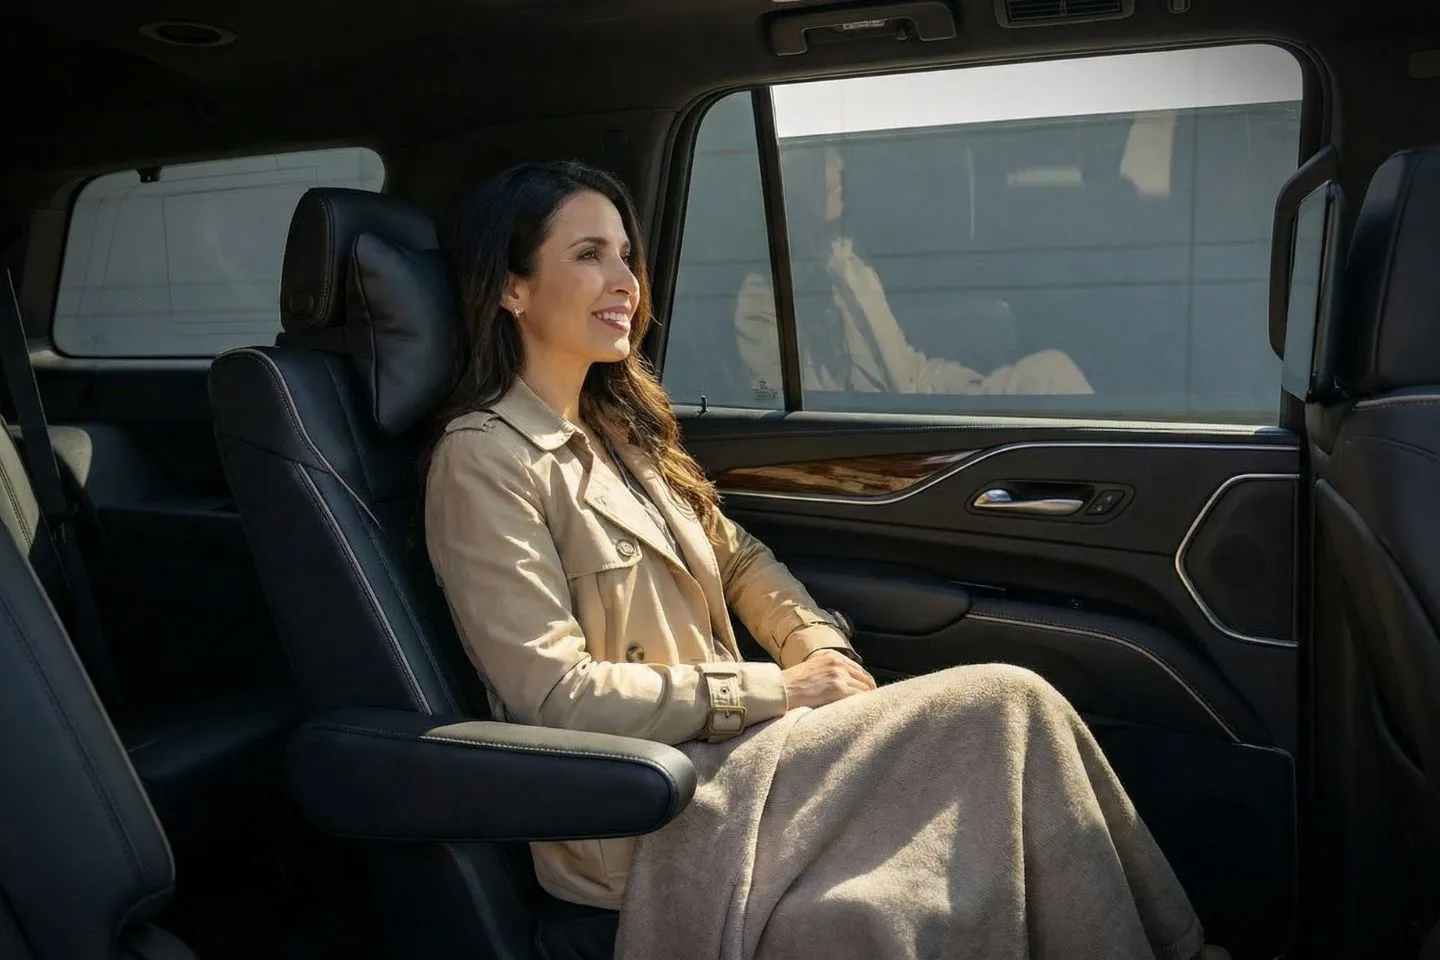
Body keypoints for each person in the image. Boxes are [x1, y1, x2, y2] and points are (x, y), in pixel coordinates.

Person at [423, 160, 1219, 960]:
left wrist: (818, 647)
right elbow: (557, 698)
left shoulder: (623, 431)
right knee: (1005, 703)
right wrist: (782, 689)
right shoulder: (484, 460)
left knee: (995, 762)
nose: (626, 279)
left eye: (629, 255)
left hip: (743, 764)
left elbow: (740, 561)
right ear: (511, 290)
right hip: (647, 811)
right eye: (589, 254)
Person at [734, 146, 1093, 401]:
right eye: (825, 159)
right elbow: (807, 415)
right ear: (796, 180)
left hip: (915, 401)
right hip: (882, 436)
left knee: (1051, 371)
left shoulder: (846, 261)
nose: (840, 165)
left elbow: (906, 370)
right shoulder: (762, 298)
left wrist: (971, 391)